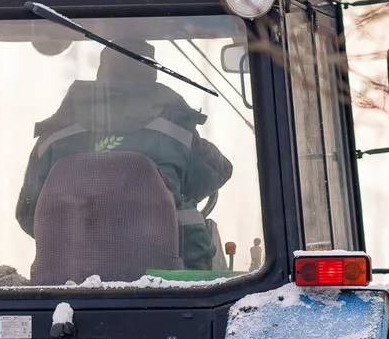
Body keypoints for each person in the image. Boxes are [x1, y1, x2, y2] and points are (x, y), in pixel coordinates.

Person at [15, 41, 233, 272]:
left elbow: (29, 215)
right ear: (152, 73)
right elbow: (220, 170)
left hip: (72, 277)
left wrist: (92, 235)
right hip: (178, 277)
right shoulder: (177, 128)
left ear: (102, 72)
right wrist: (163, 197)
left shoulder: (54, 136)